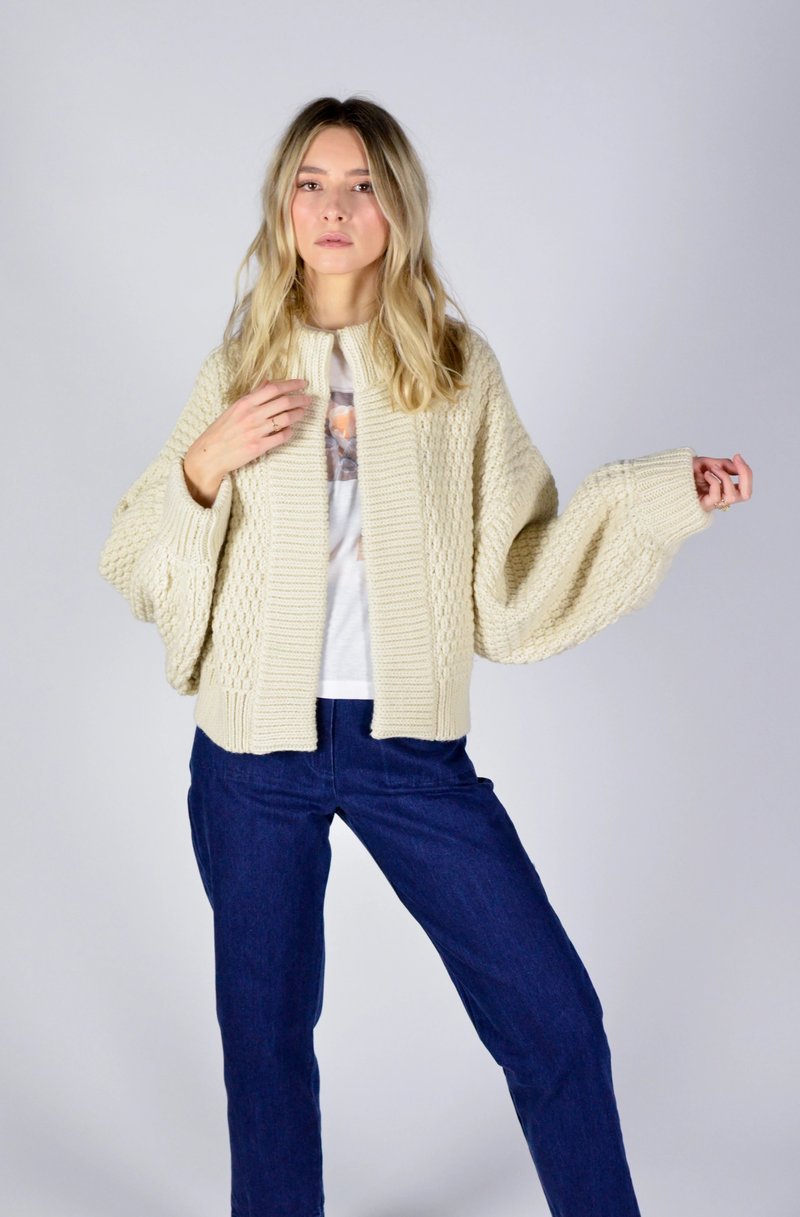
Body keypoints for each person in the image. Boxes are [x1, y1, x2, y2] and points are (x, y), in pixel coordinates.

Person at [98, 95, 752, 1217]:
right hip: (250, 759)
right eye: (312, 183)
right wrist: (205, 464)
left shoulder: (456, 370)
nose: (335, 207)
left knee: (552, 1016)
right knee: (264, 1045)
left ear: (397, 206)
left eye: (362, 185)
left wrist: (655, 500)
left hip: (408, 749)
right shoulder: (238, 367)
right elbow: (134, 561)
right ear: (283, 206)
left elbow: (515, 580)